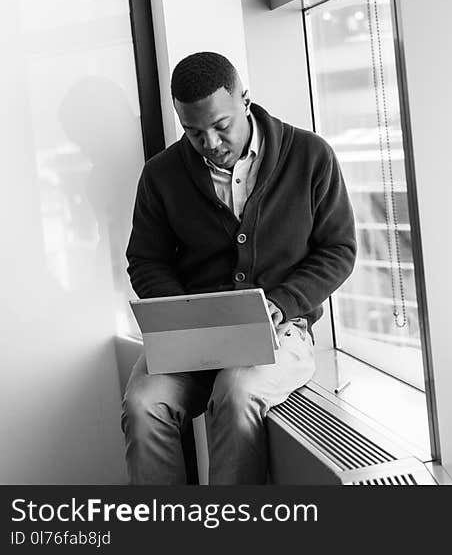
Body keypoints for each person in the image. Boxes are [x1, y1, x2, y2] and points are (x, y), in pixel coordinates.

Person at [121, 51, 356, 484]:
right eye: (194, 133)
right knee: (143, 403)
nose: (209, 143)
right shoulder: (161, 175)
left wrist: (284, 303)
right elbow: (145, 258)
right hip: (190, 340)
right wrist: (183, 314)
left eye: (221, 126)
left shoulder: (310, 155)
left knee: (237, 390)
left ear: (245, 100)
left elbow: (338, 250)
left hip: (282, 331)